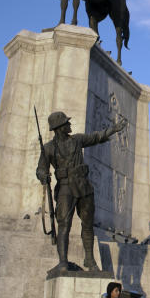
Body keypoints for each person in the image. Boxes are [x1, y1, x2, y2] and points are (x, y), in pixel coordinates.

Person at [36, 111, 126, 272]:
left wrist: (114, 129)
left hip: (84, 186)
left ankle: (90, 260)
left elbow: (96, 137)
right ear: (60, 128)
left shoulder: (77, 140)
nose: (70, 125)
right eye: (66, 123)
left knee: (88, 224)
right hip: (65, 188)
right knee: (64, 225)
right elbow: (40, 169)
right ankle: (63, 262)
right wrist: (44, 176)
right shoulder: (48, 148)